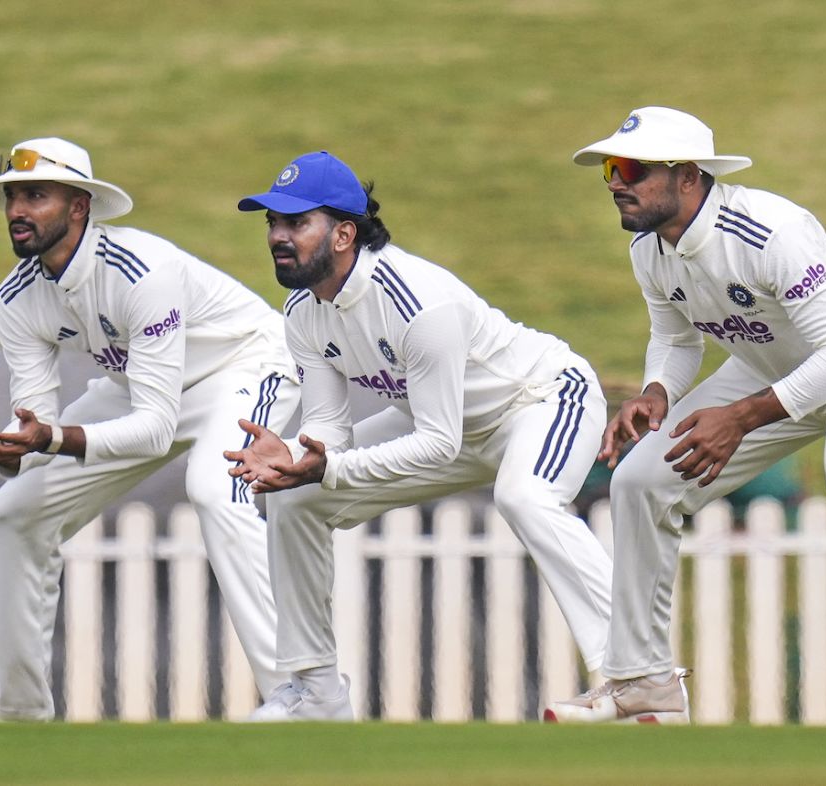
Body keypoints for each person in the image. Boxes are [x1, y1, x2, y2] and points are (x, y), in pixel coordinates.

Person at [555, 106, 826, 726]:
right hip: (772, 364)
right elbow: (676, 341)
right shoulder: (650, 250)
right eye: (610, 171)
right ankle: (644, 680)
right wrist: (655, 392)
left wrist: (742, 417)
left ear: (688, 177)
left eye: (631, 168)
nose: (616, 182)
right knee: (641, 480)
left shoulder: (768, 231)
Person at [224, 151, 613, 721]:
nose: (278, 237)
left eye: (296, 223)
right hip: (445, 421)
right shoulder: (303, 310)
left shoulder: (416, 300)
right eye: (272, 223)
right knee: (296, 497)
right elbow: (330, 424)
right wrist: (299, 456)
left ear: (344, 234)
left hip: (539, 400)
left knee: (526, 497)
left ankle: (634, 672)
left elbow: (436, 445)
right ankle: (316, 694)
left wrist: (327, 467)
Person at [0, 137, 299, 720]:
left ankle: (299, 692)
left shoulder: (141, 271)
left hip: (248, 365)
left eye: (36, 195)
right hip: (143, 387)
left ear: (79, 205)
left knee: (215, 488)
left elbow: (152, 432)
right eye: (12, 196)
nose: (17, 211)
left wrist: (47, 439)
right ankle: (19, 708)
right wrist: (6, 449)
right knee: (14, 510)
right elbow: (38, 424)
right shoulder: (16, 298)